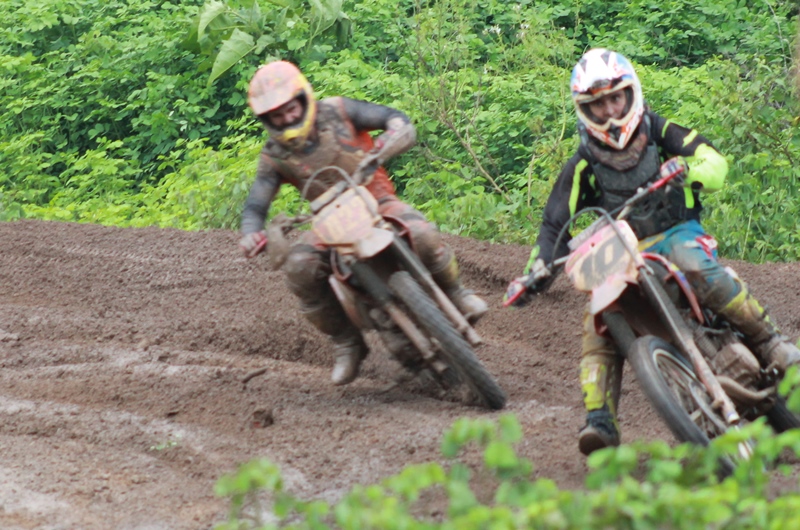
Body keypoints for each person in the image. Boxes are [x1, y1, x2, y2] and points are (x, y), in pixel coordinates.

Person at [506, 48, 800, 456]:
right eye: (597, 105)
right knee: (599, 320)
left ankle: (770, 341)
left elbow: (714, 160)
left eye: (615, 99)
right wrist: (535, 271)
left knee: (692, 261)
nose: (609, 112)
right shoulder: (582, 163)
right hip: (621, 254)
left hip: (675, 232)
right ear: (583, 110)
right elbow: (555, 222)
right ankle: (600, 420)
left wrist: (687, 170)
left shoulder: (659, 130)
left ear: (631, 94)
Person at [239, 60, 487, 386]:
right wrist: (251, 233)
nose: (287, 118)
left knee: (423, 234)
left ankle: (457, 292)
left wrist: (394, 133)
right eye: (277, 115)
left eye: (290, 108)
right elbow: (256, 204)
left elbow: (390, 117)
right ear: (266, 119)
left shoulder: (339, 111)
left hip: (378, 201)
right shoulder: (274, 156)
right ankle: (346, 342)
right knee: (299, 267)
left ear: (303, 98)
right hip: (327, 222)